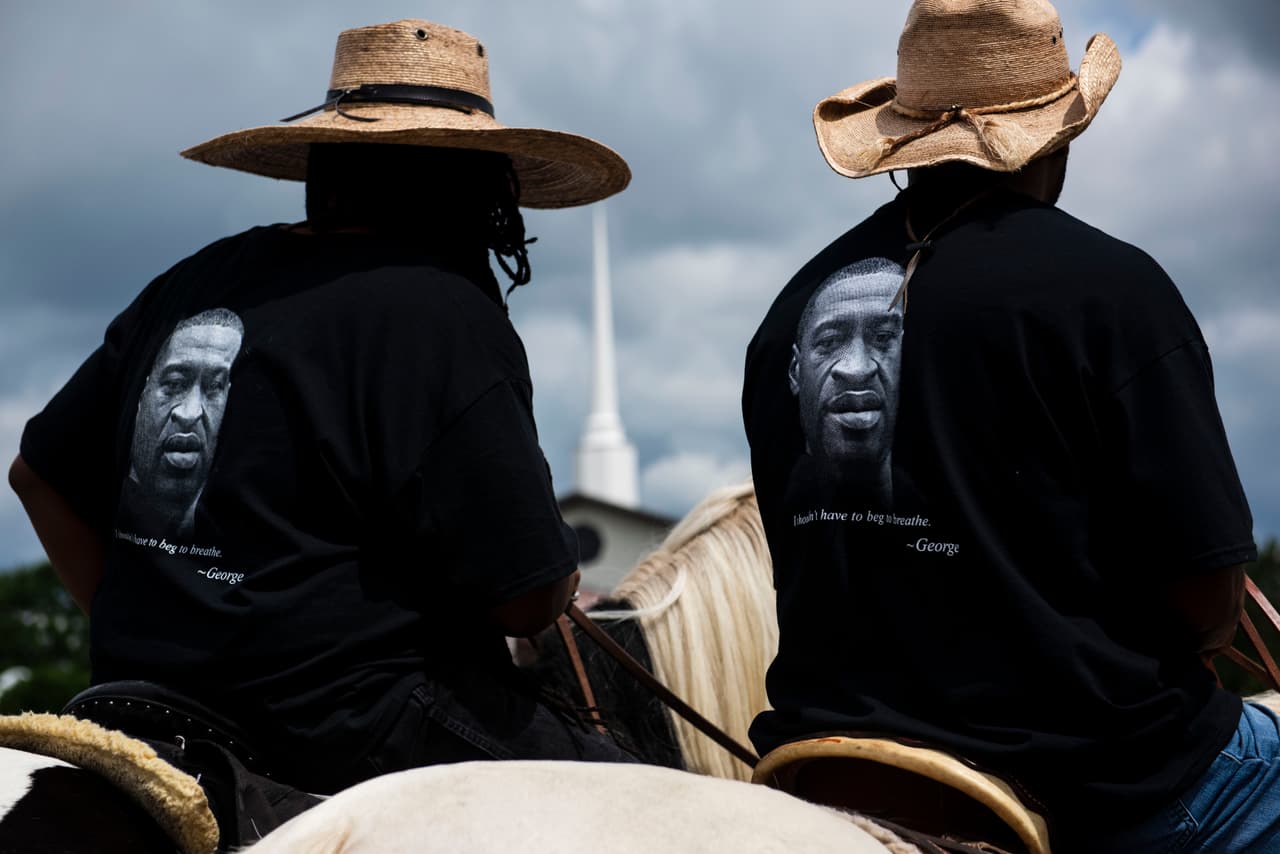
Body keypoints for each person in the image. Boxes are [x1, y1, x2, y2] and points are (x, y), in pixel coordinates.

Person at [9, 18, 633, 849]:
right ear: (477, 188)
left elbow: (36, 475)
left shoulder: (201, 276)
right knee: (653, 804)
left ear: (324, 165)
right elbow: (523, 602)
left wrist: (151, 629)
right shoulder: (442, 310)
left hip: (135, 700)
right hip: (348, 722)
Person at [742, 1, 1277, 850]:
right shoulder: (1115, 292)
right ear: (1054, 137)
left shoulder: (789, 318)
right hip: (1096, 778)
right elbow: (1208, 603)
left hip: (832, 762)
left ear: (902, 142)